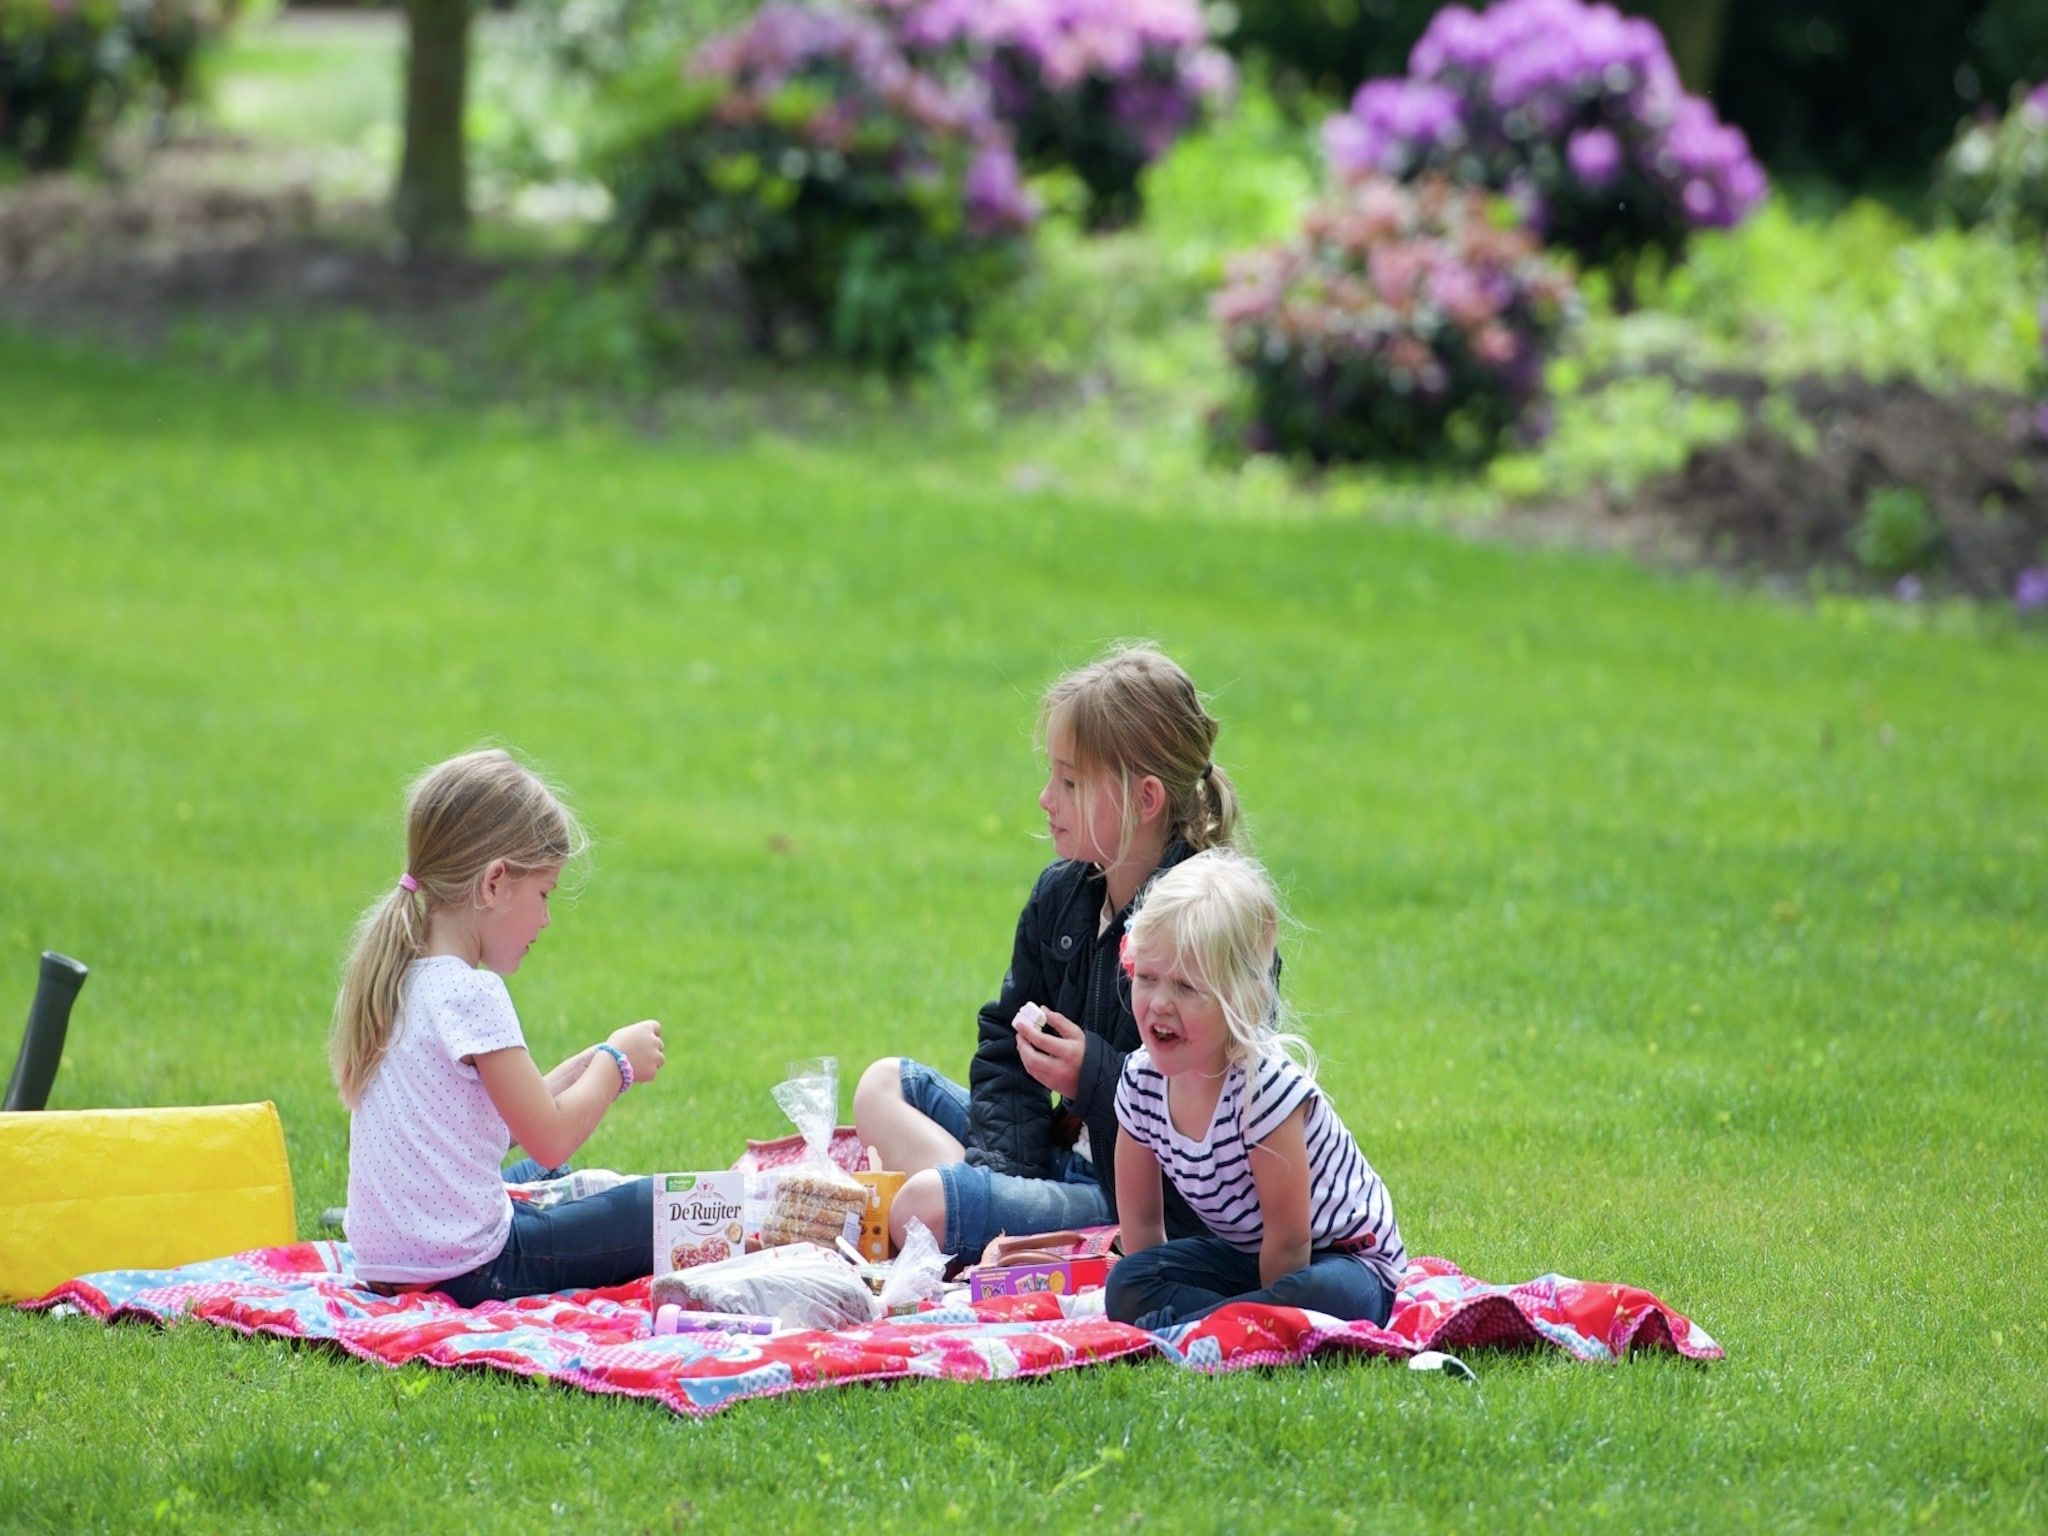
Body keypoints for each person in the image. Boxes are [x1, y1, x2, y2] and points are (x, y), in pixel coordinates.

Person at [854, 643, 1246, 1259]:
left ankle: (987, 1222)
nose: (1046, 798)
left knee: (922, 1206)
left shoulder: (1209, 921)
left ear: (1145, 800)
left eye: (1069, 781)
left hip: (1131, 1196)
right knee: (881, 1087)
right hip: (1050, 1157)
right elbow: (1007, 1050)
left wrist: (1090, 1075)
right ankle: (999, 1219)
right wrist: (1006, 1171)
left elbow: (1209, 1106)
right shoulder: (1061, 895)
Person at [330, 748, 665, 1305]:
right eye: (543, 893)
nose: (546, 918)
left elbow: (471, 1124)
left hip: (388, 1262)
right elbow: (551, 1135)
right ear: (494, 884)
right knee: (662, 1208)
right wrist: (617, 1065)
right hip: (474, 1267)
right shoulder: (472, 992)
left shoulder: (397, 977)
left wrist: (574, 1072)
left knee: (548, 1173)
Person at [1105, 848, 1405, 1329]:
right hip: (1245, 1258)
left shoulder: (1263, 1091)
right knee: (1126, 1284)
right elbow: (1142, 1230)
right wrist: (1150, 1284)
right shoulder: (1141, 1084)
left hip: (1343, 1262)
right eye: (1147, 977)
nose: (1159, 1002)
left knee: (1309, 1295)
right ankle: (1223, 1323)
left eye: (1186, 987)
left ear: (1243, 1000)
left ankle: (1199, 1327)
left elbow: (1290, 1243)